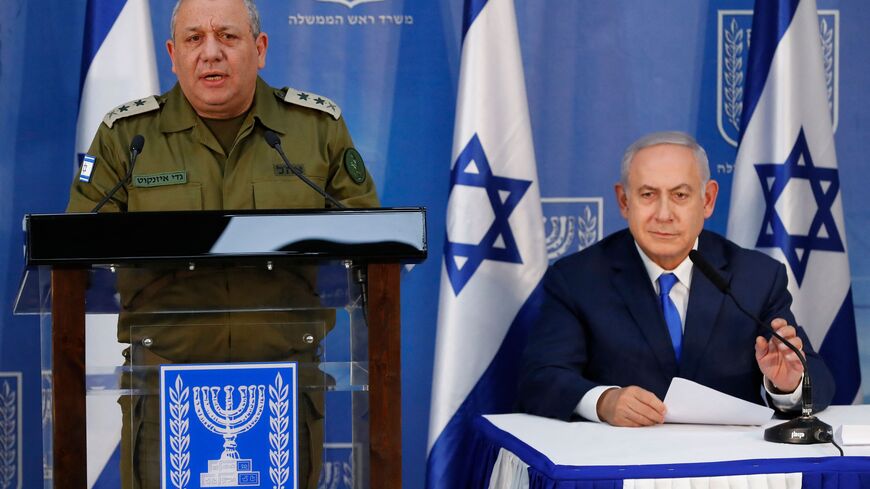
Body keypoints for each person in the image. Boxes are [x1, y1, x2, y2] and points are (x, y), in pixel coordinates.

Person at [66, 0, 378, 487]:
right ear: (172, 54)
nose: (210, 53)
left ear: (260, 48)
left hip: (285, 386)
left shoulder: (317, 131)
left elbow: (372, 244)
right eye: (194, 39)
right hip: (164, 384)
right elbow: (74, 254)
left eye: (227, 37)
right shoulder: (126, 138)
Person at [517, 131, 834, 427]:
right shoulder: (578, 279)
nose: (664, 214)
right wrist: (603, 401)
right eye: (648, 195)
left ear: (707, 200)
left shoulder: (756, 277)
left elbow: (817, 379)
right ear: (624, 201)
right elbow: (541, 377)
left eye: (680, 195)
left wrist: (787, 383)